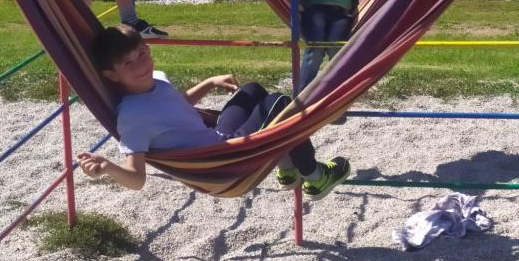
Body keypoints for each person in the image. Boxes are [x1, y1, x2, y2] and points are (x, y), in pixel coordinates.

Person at [77, 25, 351, 201]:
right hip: (223, 164)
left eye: (141, 54)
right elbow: (136, 178)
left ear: (148, 49)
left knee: (252, 90)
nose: (141, 65)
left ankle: (287, 168)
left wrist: (209, 83)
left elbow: (178, 105)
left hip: (216, 136)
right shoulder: (133, 117)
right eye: (128, 63)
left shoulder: (156, 80)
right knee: (280, 104)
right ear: (111, 75)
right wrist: (108, 168)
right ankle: (315, 176)